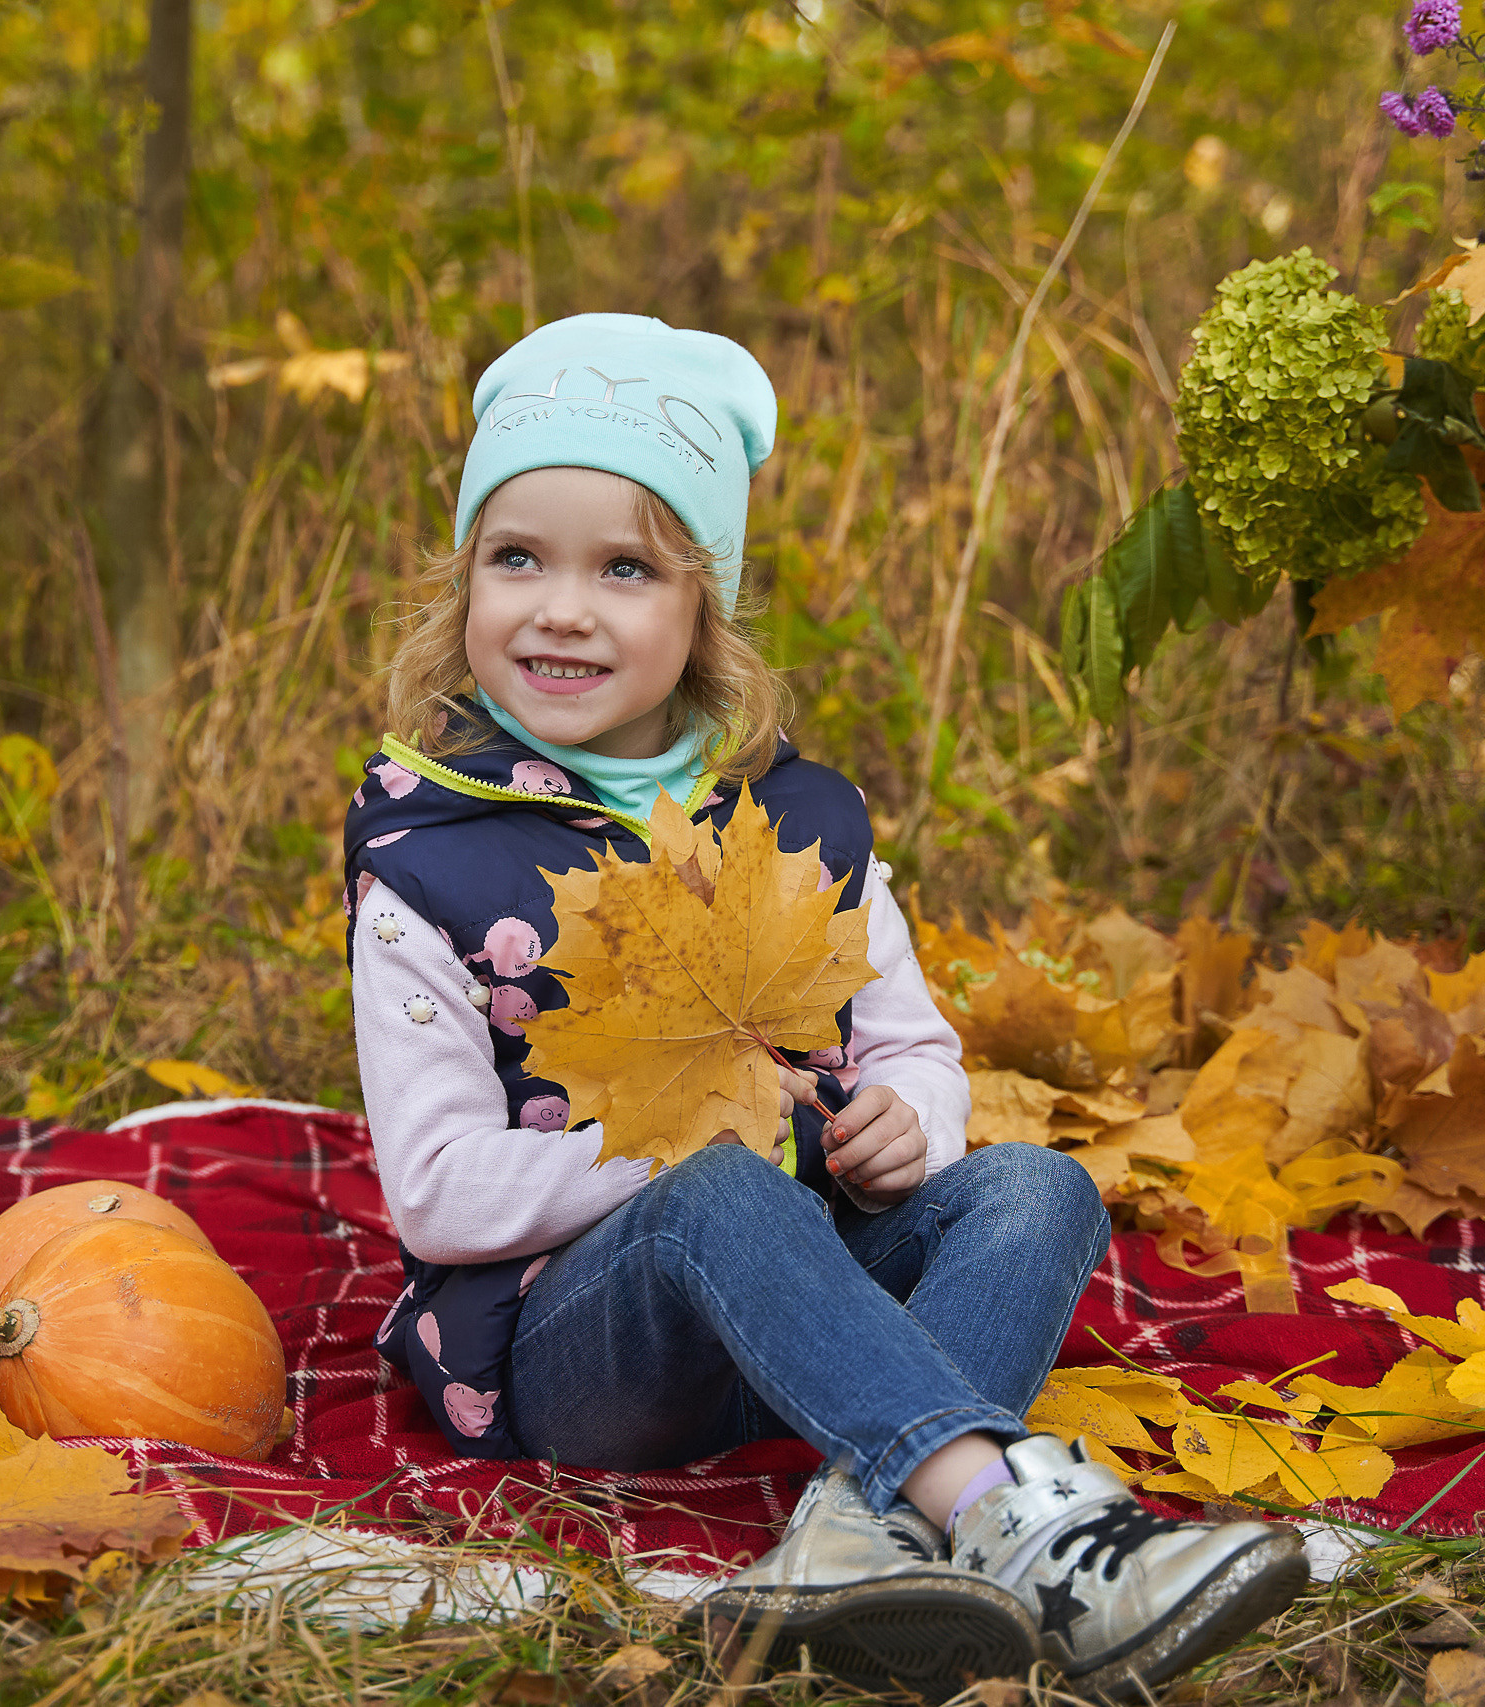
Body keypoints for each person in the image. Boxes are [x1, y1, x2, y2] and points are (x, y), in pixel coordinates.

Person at [342, 313, 1306, 1700]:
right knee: (725, 1187)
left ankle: (853, 1547)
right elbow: (435, 1194)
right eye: (518, 558)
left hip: (814, 1319)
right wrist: (687, 1151)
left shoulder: (793, 832)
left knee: (1037, 1189)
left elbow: (910, 1043)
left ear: (703, 612)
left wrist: (911, 1122)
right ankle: (1017, 1521)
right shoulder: (428, 862)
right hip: (589, 1351)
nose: (562, 607)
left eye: (624, 567)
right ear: (463, 588)